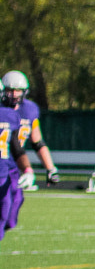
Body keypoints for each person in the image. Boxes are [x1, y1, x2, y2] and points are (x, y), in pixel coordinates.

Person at [0, 71, 58, 243]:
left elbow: (36, 142)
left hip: (12, 167)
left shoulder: (28, 110)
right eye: (11, 90)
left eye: (18, 90)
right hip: (6, 164)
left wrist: (49, 168)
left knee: (10, 216)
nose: (14, 94)